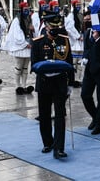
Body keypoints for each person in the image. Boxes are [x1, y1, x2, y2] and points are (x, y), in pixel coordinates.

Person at [31, 13, 74, 159]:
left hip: (60, 83)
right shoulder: (37, 43)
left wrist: (71, 84)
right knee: (44, 115)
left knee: (60, 116)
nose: (55, 29)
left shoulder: (64, 41)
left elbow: (69, 62)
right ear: (46, 26)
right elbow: (33, 64)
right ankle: (47, 143)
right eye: (52, 27)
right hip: (44, 83)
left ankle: (59, 148)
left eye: (57, 26)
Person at [81, 12, 100, 135]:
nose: (87, 21)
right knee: (85, 95)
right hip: (89, 69)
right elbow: (87, 48)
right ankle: (95, 116)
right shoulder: (87, 32)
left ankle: (99, 123)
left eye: (89, 19)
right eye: (85, 19)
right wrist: (85, 57)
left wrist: (98, 38)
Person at [2, 1, 34, 95]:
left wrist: (32, 30)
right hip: (20, 47)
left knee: (25, 67)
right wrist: (24, 43)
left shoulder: (29, 19)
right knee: (19, 66)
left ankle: (24, 85)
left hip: (28, 45)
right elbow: (17, 34)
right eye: (25, 9)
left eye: (28, 9)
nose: (27, 11)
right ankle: (17, 85)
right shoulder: (17, 20)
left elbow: (31, 31)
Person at [64, 0, 84, 87]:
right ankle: (73, 79)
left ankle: (79, 79)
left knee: (80, 63)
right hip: (74, 41)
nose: (79, 6)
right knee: (74, 62)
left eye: (80, 5)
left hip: (81, 41)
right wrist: (77, 36)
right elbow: (69, 28)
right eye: (77, 5)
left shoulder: (80, 15)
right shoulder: (70, 16)